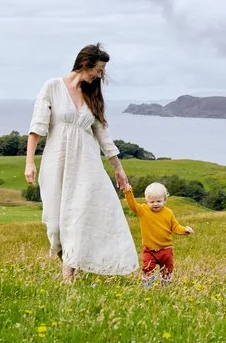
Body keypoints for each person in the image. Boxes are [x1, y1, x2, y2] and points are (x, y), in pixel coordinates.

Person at [24, 43, 138, 283]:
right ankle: (73, 264)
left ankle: (69, 281)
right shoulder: (52, 87)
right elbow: (37, 127)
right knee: (55, 225)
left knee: (77, 220)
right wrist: (29, 162)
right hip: (56, 164)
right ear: (85, 64)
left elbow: (103, 135)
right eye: (98, 70)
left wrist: (118, 168)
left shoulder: (92, 95)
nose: (100, 75)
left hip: (86, 166)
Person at [123, 182, 193, 286]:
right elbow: (132, 205)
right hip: (149, 250)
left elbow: (175, 226)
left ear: (165, 199)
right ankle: (147, 285)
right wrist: (128, 192)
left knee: (167, 269)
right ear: (147, 201)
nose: (155, 204)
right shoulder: (143, 210)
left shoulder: (168, 213)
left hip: (166, 249)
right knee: (147, 268)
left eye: (159, 201)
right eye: (152, 201)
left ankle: (165, 286)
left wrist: (184, 230)